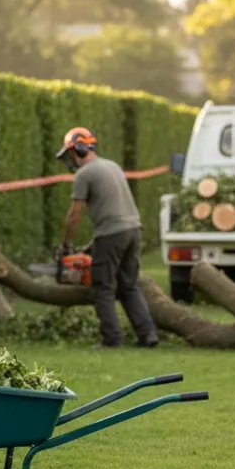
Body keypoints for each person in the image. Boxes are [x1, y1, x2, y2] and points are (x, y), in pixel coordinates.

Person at [56, 127, 159, 348]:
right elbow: (114, 211)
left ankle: (111, 339)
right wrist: (89, 247)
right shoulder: (112, 166)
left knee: (103, 286)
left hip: (111, 233)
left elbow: (74, 215)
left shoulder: (84, 174)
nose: (70, 159)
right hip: (133, 230)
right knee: (129, 285)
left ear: (79, 149)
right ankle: (148, 333)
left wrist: (65, 244)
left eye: (71, 153)